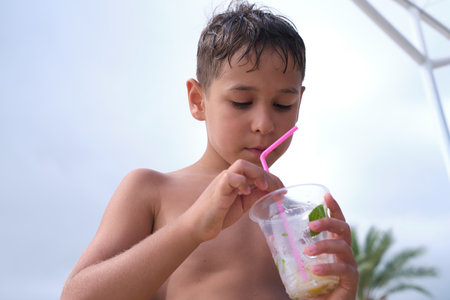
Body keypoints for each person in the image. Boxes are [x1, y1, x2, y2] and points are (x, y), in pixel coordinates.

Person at [61, 1, 358, 299]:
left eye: (283, 105)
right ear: (198, 100)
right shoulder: (151, 190)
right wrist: (192, 227)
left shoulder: (295, 220)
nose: (264, 124)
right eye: (241, 101)